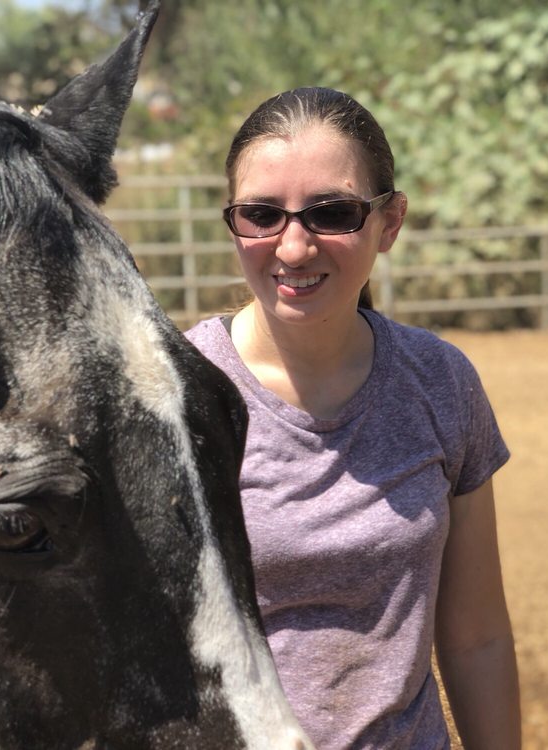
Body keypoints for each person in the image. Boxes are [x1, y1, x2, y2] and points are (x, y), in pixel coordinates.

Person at [185, 87, 521, 749]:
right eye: (261, 214)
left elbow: (476, 636)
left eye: (331, 212)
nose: (293, 246)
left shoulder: (441, 383)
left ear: (389, 223)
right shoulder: (183, 396)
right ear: (234, 225)